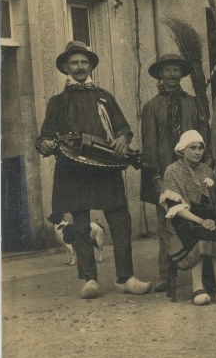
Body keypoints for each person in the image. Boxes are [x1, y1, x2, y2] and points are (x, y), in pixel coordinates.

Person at [36, 41, 151, 299]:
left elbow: (123, 127)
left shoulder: (104, 97)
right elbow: (45, 136)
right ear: (66, 67)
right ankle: (89, 279)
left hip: (106, 167)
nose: (79, 67)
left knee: (120, 220)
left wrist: (122, 139)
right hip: (73, 169)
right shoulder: (57, 102)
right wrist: (43, 145)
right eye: (74, 63)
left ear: (90, 66)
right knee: (80, 224)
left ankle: (125, 277)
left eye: (84, 62)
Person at [140, 53, 201, 294]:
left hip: (193, 172)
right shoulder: (151, 107)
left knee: (195, 217)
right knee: (167, 225)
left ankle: (200, 269)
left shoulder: (194, 103)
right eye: (168, 70)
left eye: (176, 70)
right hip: (164, 174)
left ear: (182, 74)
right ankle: (166, 274)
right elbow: (149, 145)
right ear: (160, 75)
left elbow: (201, 138)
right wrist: (156, 178)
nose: (172, 75)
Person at [158, 131, 216, 305]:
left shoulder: (207, 171)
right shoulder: (172, 171)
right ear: (182, 150)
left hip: (205, 215)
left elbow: (213, 203)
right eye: (193, 148)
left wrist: (209, 216)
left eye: (200, 148)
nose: (197, 152)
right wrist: (200, 221)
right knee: (200, 232)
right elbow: (176, 207)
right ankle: (197, 287)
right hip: (182, 218)